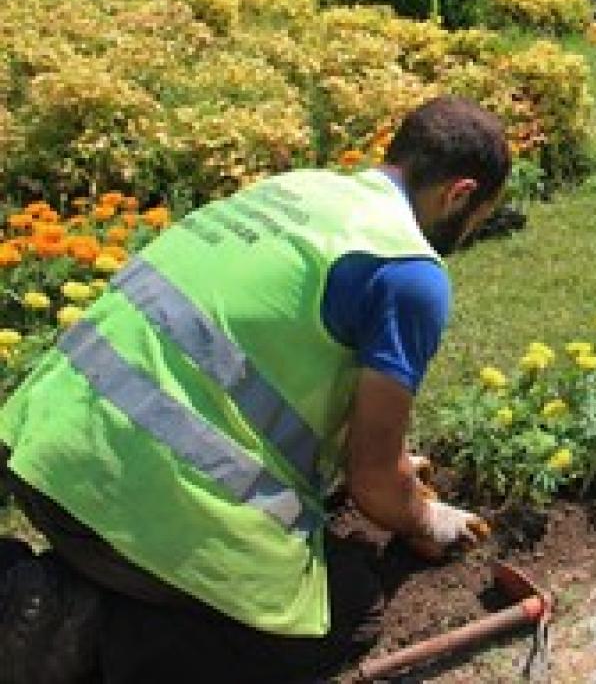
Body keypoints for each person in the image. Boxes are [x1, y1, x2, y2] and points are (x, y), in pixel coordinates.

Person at [0, 95, 510, 684]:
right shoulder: (407, 272)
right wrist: (424, 517)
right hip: (120, 513)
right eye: (479, 219)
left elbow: (247, 363)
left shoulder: (295, 189)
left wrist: (383, 469)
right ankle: (72, 630)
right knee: (342, 611)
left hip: (44, 458)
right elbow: (374, 485)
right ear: (460, 195)